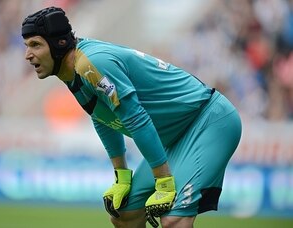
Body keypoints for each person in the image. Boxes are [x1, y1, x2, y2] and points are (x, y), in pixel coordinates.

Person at [21, 7, 242, 228]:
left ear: (59, 44)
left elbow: (137, 119)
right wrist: (122, 175)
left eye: (36, 44)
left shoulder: (90, 63)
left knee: (174, 220)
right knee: (125, 216)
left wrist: (163, 181)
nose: (28, 54)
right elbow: (102, 118)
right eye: (27, 46)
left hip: (209, 121)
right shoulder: (71, 70)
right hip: (174, 137)